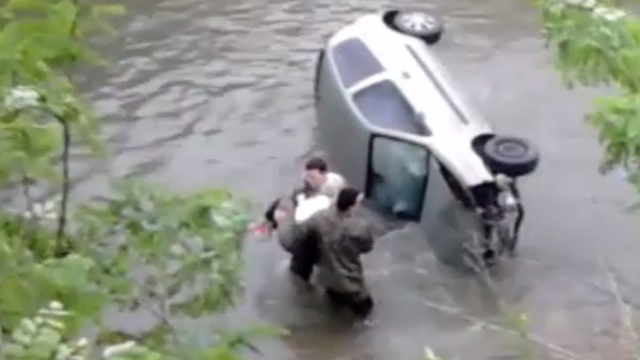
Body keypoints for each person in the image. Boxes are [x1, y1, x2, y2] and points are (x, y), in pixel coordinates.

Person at [275, 187, 375, 319]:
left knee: (335, 315)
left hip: (328, 283)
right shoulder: (360, 227)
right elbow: (367, 247)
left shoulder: (320, 218)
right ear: (352, 207)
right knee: (367, 318)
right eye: (359, 203)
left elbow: (297, 235)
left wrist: (283, 221)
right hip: (351, 284)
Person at [255, 157, 347, 283]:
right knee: (299, 274)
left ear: (324, 174)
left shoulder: (336, 185)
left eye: (313, 177)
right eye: (307, 176)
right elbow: (291, 202)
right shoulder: (305, 191)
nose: (309, 180)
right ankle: (266, 225)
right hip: (308, 235)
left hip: (325, 234)